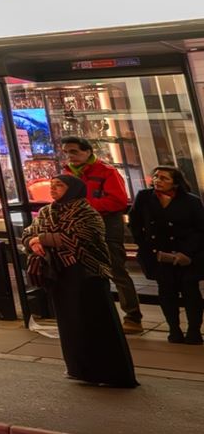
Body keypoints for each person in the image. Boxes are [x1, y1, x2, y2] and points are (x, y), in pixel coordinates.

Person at [26, 172, 138, 386]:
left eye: (59, 185)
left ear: (73, 189)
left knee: (96, 322)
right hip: (60, 274)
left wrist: (39, 238)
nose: (53, 189)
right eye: (52, 185)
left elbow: (78, 238)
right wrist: (33, 241)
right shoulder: (46, 211)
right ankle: (80, 369)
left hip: (86, 274)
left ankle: (111, 373)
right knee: (70, 324)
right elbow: (29, 232)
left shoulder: (87, 213)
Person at [61, 135, 144, 335]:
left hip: (107, 225)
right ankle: (98, 314)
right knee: (86, 272)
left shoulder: (106, 171)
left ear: (87, 151)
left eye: (74, 151)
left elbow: (118, 201)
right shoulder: (67, 174)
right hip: (79, 227)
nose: (70, 156)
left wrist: (84, 208)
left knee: (116, 270)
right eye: (66, 152)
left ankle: (132, 316)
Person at [129, 166, 204, 344]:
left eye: (164, 178)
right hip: (159, 254)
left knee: (190, 292)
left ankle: (194, 331)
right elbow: (135, 222)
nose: (157, 181)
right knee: (166, 292)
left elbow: (200, 229)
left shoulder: (191, 201)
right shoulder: (144, 198)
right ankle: (174, 329)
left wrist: (187, 252)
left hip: (186, 255)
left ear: (176, 183)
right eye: (155, 177)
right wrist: (145, 246)